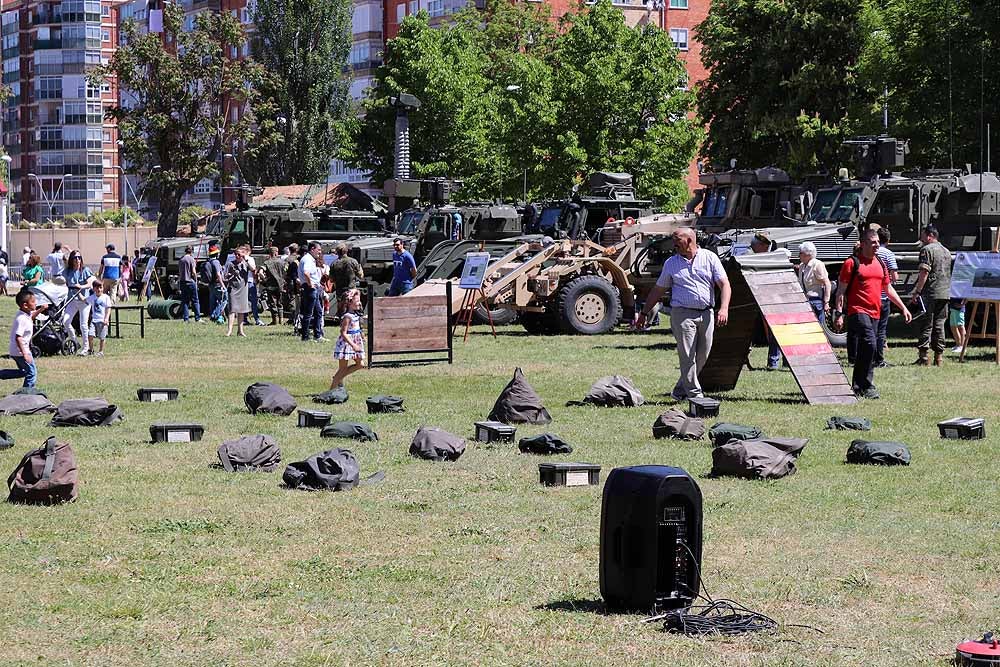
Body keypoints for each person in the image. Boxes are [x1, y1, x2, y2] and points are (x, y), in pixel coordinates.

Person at [635, 227, 731, 401]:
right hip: (682, 314)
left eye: (677, 239)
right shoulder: (671, 263)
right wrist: (643, 313)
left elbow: (724, 284)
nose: (674, 244)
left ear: (689, 241)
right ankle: (695, 394)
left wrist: (723, 308)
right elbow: (658, 290)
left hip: (706, 313)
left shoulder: (710, 258)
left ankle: (680, 391)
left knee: (703, 356)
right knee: (687, 355)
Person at [834, 229, 912, 399]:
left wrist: (903, 307)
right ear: (863, 244)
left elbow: (888, 288)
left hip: (875, 312)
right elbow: (841, 290)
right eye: (873, 242)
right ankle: (867, 385)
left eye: (878, 241)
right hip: (857, 311)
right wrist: (839, 313)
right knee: (870, 344)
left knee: (868, 348)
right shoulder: (851, 263)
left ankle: (858, 385)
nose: (877, 245)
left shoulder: (880, 264)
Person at [910, 224, 952, 366]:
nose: (921, 238)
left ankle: (923, 357)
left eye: (922, 235)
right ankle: (938, 357)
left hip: (931, 293)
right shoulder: (946, 251)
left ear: (929, 236)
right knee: (940, 324)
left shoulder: (926, 250)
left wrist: (917, 291)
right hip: (945, 292)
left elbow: (924, 272)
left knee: (926, 324)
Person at [750, 232, 783, 370]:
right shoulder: (750, 255)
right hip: (755, 299)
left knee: (773, 331)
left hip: (767, 299)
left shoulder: (765, 257)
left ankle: (774, 361)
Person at [0, 290, 47, 388]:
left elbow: (31, 317)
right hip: (21, 351)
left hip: (16, 351)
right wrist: (25, 353)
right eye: (33, 302)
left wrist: (41, 309)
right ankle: (26, 395)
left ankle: (2, 374)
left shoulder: (25, 314)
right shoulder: (21, 319)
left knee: (24, 372)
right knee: (32, 373)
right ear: (25, 305)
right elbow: (18, 337)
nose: (36, 303)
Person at [873, 227, 899, 368]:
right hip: (884, 296)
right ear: (888, 241)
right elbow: (894, 277)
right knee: (881, 330)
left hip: (872, 296)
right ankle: (879, 359)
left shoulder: (872, 253)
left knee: (871, 329)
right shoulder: (888, 254)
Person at [330, 288, 365, 389]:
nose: (360, 303)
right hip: (346, 344)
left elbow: (357, 328)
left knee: (360, 364)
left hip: (355, 342)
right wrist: (353, 345)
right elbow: (343, 333)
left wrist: (362, 336)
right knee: (342, 369)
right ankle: (332, 389)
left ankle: (338, 378)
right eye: (357, 301)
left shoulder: (356, 314)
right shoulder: (347, 316)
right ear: (349, 303)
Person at [61, 251, 94, 356]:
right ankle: (75, 342)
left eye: (79, 257)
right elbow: (60, 281)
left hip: (84, 301)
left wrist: (81, 286)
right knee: (65, 321)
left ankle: (86, 348)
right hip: (72, 300)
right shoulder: (67, 271)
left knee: (83, 325)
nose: (77, 260)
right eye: (75, 258)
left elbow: (90, 283)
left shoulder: (85, 270)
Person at [795, 241, 831, 322]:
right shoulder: (801, 266)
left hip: (816, 301)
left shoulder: (817, 264)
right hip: (805, 302)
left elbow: (827, 283)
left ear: (807, 254)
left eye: (800, 253)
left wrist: (826, 302)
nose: (798, 255)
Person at [298, 241, 326, 342]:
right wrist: (310, 284)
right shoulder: (307, 259)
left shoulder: (311, 259)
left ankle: (317, 335)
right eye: (318, 250)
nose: (320, 252)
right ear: (312, 249)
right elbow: (306, 273)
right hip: (310, 289)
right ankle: (305, 336)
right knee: (308, 313)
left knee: (318, 312)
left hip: (314, 289)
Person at [225, 244, 251, 337]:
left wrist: (246, 259)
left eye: (239, 254)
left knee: (241, 310)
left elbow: (253, 270)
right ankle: (229, 330)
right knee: (232, 310)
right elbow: (225, 276)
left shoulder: (246, 263)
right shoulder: (231, 263)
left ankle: (240, 330)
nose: (237, 256)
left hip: (243, 289)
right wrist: (230, 274)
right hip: (233, 288)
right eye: (235, 254)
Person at [330, 243, 363, 314]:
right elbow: (360, 276)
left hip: (340, 291)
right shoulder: (353, 261)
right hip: (352, 290)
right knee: (353, 309)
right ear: (346, 251)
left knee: (342, 309)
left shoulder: (334, 263)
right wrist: (360, 268)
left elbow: (331, 279)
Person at [260, 246, 286, 326]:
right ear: (276, 252)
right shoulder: (282, 262)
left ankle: (274, 320)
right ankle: (281, 320)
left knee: (272, 303)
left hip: (270, 285)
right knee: (280, 302)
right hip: (280, 285)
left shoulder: (267, 262)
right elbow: (286, 271)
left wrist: (265, 280)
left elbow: (260, 272)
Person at [85, 280, 112, 356]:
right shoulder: (92, 297)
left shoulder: (106, 297)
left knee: (102, 337)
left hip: (102, 321)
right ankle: (91, 350)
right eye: (97, 288)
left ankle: (101, 351)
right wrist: (78, 294)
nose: (99, 289)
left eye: (100, 287)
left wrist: (106, 318)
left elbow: (108, 308)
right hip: (94, 320)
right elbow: (85, 300)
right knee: (90, 335)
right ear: (93, 289)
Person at [177, 245, 202, 323]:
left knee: (185, 301)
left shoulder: (181, 259)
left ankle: (186, 319)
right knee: (195, 300)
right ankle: (197, 318)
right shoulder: (191, 259)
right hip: (190, 282)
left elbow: (180, 272)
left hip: (182, 282)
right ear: (191, 251)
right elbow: (194, 272)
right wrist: (196, 280)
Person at [205, 244, 227, 324]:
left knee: (213, 301)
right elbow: (218, 274)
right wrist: (222, 285)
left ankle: (212, 315)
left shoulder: (209, 262)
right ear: (217, 254)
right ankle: (216, 315)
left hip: (211, 284)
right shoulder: (216, 262)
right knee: (224, 299)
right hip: (217, 284)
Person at [244, 252, 264, 326]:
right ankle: (257, 319)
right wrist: (256, 279)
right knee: (254, 302)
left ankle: (244, 319)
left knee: (245, 302)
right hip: (250, 281)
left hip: (243, 283)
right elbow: (253, 270)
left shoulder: (237, 258)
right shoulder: (250, 259)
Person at [284, 243, 301, 327]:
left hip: (291, 281)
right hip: (299, 281)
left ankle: (292, 317)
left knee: (292, 299)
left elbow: (285, 270)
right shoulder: (299, 258)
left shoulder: (288, 259)